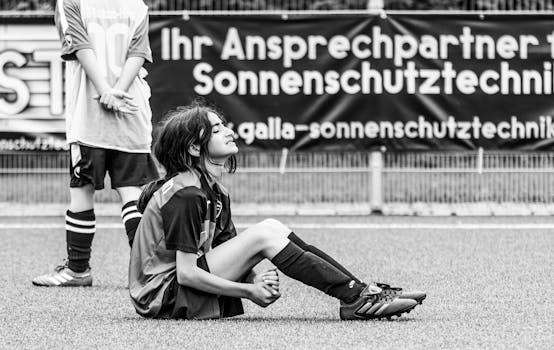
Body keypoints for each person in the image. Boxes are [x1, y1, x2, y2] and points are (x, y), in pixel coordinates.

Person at [129, 103, 426, 320]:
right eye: (217, 129)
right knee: (263, 234)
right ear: (194, 148)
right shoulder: (186, 194)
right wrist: (248, 292)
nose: (229, 132)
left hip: (177, 288)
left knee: (271, 227)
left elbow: (225, 250)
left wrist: (254, 278)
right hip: (163, 297)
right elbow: (186, 273)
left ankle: (360, 292)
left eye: (224, 125)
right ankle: (357, 298)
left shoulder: (214, 190)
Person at [32, 0, 159, 287]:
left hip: (90, 112)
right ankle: (150, 272)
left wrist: (106, 93)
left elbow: (79, 47)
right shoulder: (136, 5)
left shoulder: (71, 2)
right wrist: (118, 92)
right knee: (132, 193)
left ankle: (77, 270)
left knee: (82, 191)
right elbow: (137, 53)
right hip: (132, 108)